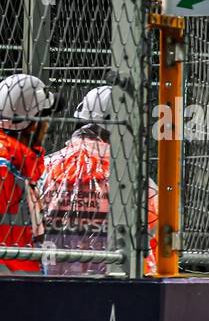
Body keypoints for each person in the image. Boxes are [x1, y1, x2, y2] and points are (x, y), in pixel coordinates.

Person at [38, 85, 158, 275]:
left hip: (51, 283)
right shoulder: (138, 180)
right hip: (119, 284)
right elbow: (152, 242)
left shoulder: (44, 167)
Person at [0, 73, 53, 274]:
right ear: (32, 123)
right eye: (45, 118)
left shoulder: (20, 167)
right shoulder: (6, 169)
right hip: (12, 282)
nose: (48, 126)